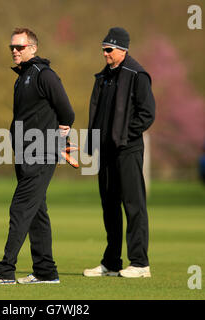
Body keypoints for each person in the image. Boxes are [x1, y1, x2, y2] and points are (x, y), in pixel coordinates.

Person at [0, 28, 75, 285]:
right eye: (12, 47)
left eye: (19, 46)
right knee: (36, 213)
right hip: (25, 154)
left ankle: (4, 270)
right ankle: (46, 272)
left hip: (41, 153)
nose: (14, 51)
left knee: (20, 208)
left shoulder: (44, 74)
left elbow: (66, 111)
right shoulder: (22, 77)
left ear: (33, 48)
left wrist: (62, 136)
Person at [83, 27, 155, 278]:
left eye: (109, 49)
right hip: (105, 152)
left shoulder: (138, 75)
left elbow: (147, 115)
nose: (104, 53)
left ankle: (140, 263)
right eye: (103, 48)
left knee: (134, 205)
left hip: (128, 150)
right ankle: (111, 262)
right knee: (109, 206)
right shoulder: (103, 77)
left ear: (123, 50)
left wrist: (124, 135)